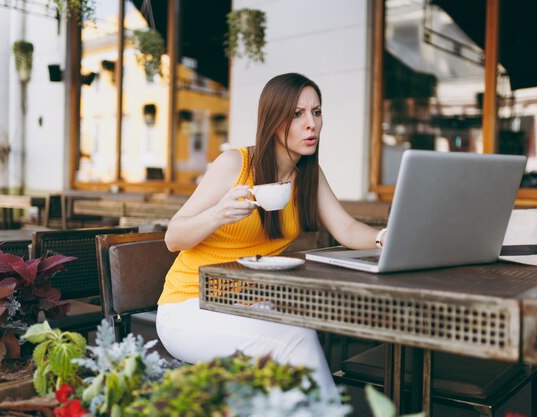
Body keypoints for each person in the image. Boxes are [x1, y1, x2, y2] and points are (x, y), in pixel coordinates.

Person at [156, 72, 381, 399]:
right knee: (294, 343)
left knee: (301, 329)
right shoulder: (235, 163)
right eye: (297, 114)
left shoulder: (307, 175)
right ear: (274, 120)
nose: (311, 124)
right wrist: (219, 213)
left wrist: (384, 237)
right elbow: (173, 237)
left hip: (248, 303)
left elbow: (346, 228)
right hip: (190, 306)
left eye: (316, 112)